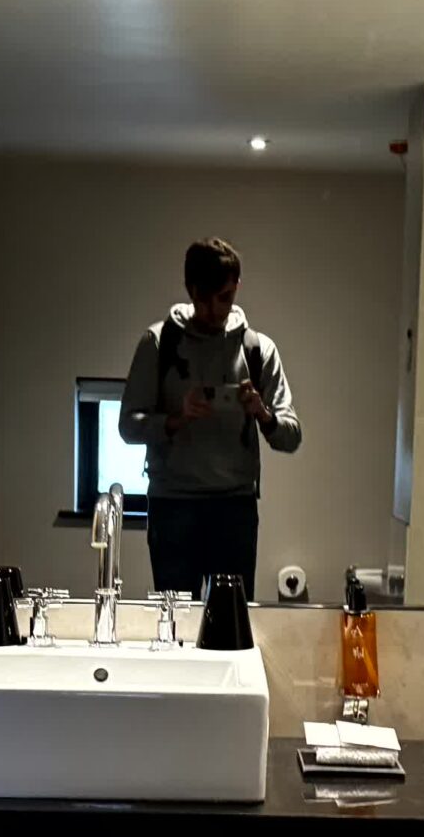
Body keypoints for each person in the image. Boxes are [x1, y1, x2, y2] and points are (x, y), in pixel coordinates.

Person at [119, 236, 301, 597]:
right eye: (205, 299)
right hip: (173, 507)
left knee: (230, 621)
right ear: (191, 290)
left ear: (236, 288)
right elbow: (128, 427)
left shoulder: (257, 349)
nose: (215, 309)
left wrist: (262, 414)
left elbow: (291, 436)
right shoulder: (159, 343)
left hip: (234, 508)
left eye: (225, 297)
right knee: (174, 622)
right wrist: (176, 419)